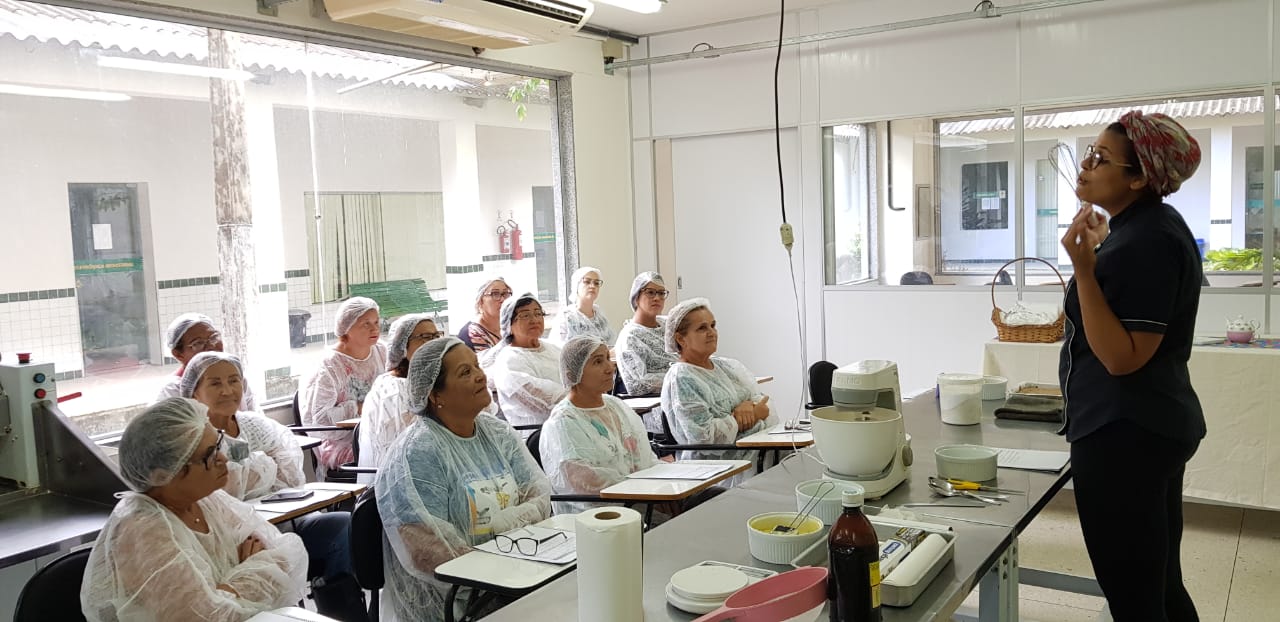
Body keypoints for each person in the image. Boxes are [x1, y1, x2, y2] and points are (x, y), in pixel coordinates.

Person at [1058, 111, 1205, 622]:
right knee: (1158, 584)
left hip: (1123, 435)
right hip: (1147, 426)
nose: (1085, 165)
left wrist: (1084, 270)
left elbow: (1122, 357)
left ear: (1139, 178)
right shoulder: (1149, 226)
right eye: (1089, 153)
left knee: (1135, 598)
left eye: (1101, 159)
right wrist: (1101, 254)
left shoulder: (1146, 241)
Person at [81, 398, 308, 621]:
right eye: (209, 455)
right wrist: (253, 569)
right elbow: (202, 617)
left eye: (218, 444)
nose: (223, 458)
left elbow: (284, 556)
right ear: (165, 474)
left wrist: (226, 589)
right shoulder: (143, 530)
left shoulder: (207, 501)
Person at [376, 337, 552, 622]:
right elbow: (426, 549)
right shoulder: (417, 453)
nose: (480, 376)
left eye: (477, 366)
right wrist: (499, 562)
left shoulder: (498, 434)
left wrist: (508, 538)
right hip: (456, 601)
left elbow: (538, 493)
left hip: (520, 572)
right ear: (435, 395)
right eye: (465, 372)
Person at [181, 353, 365, 621]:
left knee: (342, 524)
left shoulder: (256, 425)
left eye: (234, 380)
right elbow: (216, 492)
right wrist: (262, 466)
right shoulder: (193, 439)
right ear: (194, 392)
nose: (227, 390)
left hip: (285, 521)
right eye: (215, 383)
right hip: (236, 537)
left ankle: (341, 610)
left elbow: (289, 474)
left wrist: (246, 473)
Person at [539, 336, 660, 515]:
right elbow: (584, 482)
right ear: (573, 375)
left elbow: (644, 455)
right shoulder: (562, 423)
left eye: (608, 358)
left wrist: (660, 484)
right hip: (599, 515)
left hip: (642, 498)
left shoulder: (615, 405)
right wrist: (644, 490)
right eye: (597, 362)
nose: (610, 368)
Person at [660, 298, 773, 485]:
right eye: (702, 328)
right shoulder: (682, 378)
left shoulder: (725, 366)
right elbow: (702, 438)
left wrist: (749, 405)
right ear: (680, 339)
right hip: (717, 470)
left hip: (754, 452)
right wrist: (748, 416)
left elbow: (763, 402)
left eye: (713, 326)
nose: (711, 332)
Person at [299, 296, 388, 473]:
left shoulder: (382, 351)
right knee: (390, 454)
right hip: (339, 442)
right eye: (366, 324)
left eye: (376, 322)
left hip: (377, 432)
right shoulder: (329, 366)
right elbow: (320, 422)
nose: (375, 328)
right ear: (347, 327)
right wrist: (360, 407)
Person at [360, 314, 443, 481]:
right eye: (426, 337)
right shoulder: (394, 390)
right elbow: (409, 448)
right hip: (403, 479)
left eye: (436, 336)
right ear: (402, 347)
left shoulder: (433, 379)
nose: (434, 343)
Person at [486, 293, 566, 430]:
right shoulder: (508, 361)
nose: (534, 320)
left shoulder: (554, 348)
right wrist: (583, 399)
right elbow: (542, 401)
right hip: (537, 433)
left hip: (570, 421)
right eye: (525, 315)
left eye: (538, 313)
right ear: (509, 325)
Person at [154, 313, 257, 410]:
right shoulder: (171, 392)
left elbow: (256, 418)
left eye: (214, 337)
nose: (211, 346)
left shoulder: (237, 378)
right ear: (178, 354)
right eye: (198, 343)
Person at [615, 272, 678, 397]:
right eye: (650, 292)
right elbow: (637, 384)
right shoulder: (630, 337)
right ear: (636, 297)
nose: (657, 298)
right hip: (657, 402)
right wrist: (681, 378)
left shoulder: (668, 325)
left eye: (661, 293)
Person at [554, 266, 614, 343]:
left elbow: (611, 343)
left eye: (596, 283)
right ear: (576, 285)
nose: (592, 286)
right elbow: (558, 347)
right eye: (587, 282)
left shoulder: (601, 317)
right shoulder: (566, 317)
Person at [457, 278, 511, 353]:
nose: (503, 299)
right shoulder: (473, 333)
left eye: (505, 293)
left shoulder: (511, 326)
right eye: (495, 294)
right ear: (481, 301)